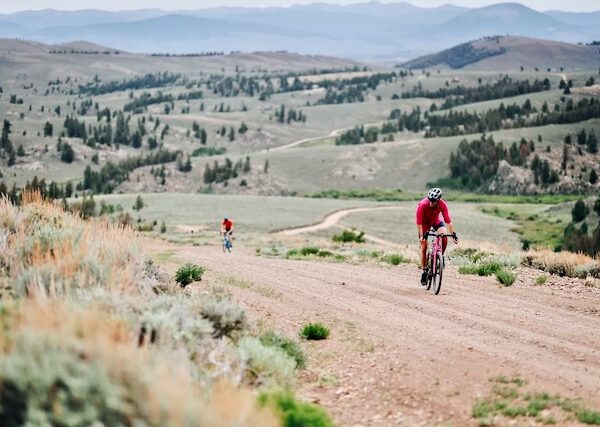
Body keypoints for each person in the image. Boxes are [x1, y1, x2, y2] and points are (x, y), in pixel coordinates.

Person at [416, 188, 458, 285]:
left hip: (436, 221)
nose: (431, 203)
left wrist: (453, 234)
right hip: (424, 224)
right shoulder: (423, 205)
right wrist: (422, 236)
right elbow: (419, 224)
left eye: (433, 201)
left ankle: (440, 256)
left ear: (438, 200)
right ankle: (424, 271)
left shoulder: (442, 204)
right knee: (423, 247)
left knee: (444, 236)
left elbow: (448, 221)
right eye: (430, 200)